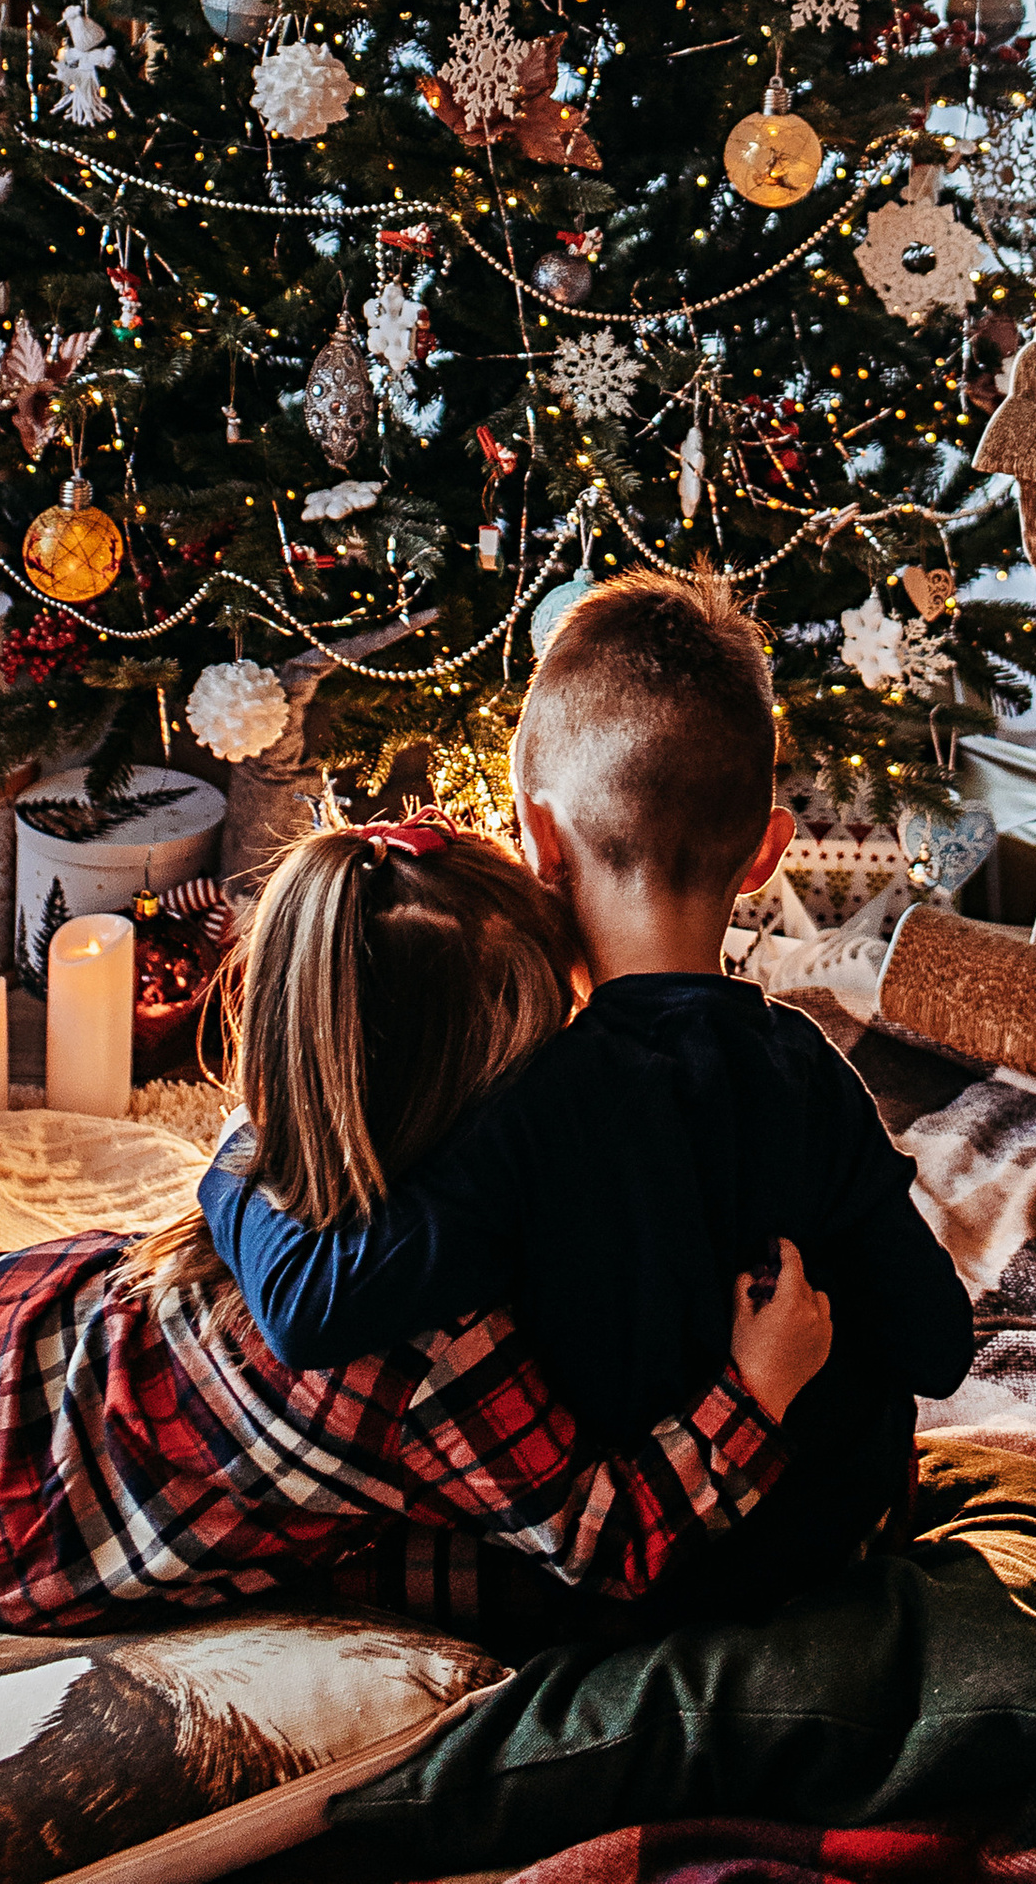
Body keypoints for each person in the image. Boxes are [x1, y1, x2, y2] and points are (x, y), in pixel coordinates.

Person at [0, 825, 833, 1638]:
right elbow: (604, 1537)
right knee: (460, 1565)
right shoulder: (440, 1341)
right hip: (19, 1549)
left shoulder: (271, 1151)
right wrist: (753, 1393)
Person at [203, 575, 978, 1623]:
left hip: (642, 1572)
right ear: (763, 852)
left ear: (539, 840)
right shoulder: (806, 1069)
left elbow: (309, 1307)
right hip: (835, 1537)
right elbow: (936, 1343)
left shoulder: (519, 1101)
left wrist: (240, 1147)